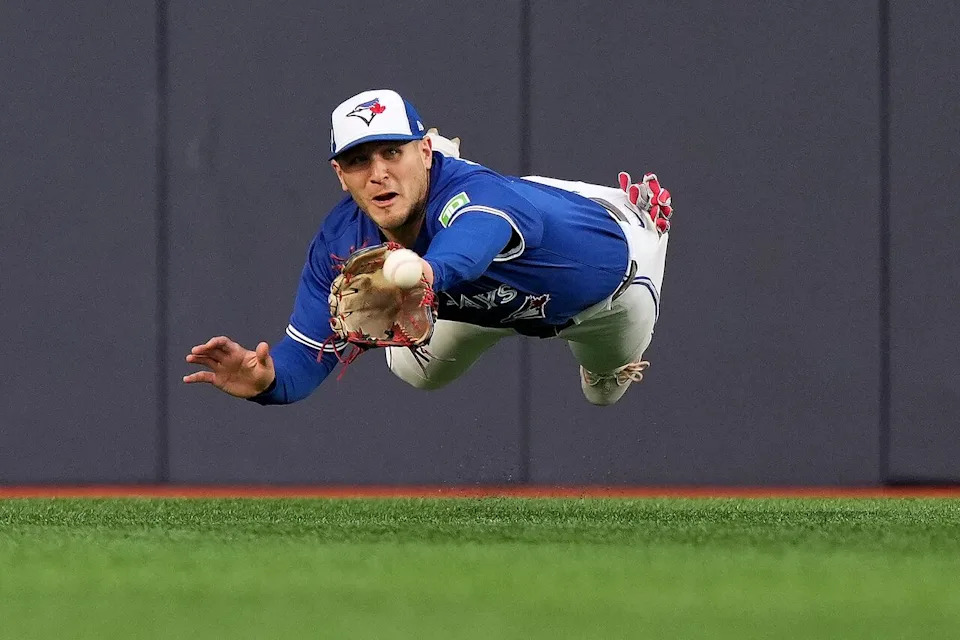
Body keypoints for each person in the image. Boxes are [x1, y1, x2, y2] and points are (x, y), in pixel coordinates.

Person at [183, 89, 672, 406]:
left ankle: (627, 213)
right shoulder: (339, 244)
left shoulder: (480, 201)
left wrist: (425, 274)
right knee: (417, 370)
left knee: (603, 393)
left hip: (611, 285)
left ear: (421, 152)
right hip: (474, 300)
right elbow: (302, 360)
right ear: (339, 175)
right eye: (357, 161)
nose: (376, 174)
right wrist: (266, 383)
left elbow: (471, 243)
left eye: (392, 152)